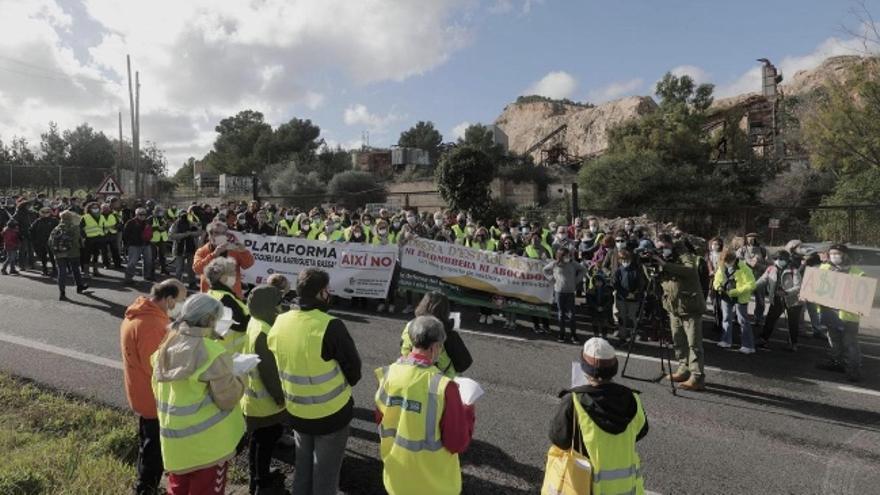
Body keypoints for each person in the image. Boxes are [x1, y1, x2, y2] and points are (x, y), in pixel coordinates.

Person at [267, 269, 362, 495]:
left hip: (297, 411)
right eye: (327, 290)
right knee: (325, 478)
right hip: (331, 414)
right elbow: (354, 371)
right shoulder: (330, 325)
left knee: (303, 470)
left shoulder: (279, 322)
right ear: (322, 293)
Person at [151, 294, 246, 495]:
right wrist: (240, 376)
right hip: (209, 446)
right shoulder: (211, 352)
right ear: (210, 320)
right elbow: (228, 399)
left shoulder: (165, 347)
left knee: (177, 489)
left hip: (174, 442)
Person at [375, 315, 475, 495]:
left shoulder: (389, 374)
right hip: (433, 483)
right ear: (435, 346)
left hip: (397, 475)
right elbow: (457, 442)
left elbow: (380, 417)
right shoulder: (444, 386)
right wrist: (467, 410)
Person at [549, 338, 648, 495]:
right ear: (614, 368)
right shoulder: (632, 399)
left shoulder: (573, 400)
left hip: (585, 485)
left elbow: (559, 439)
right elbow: (641, 431)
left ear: (584, 369)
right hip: (624, 488)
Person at [120, 279, 187, 495]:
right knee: (153, 451)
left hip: (141, 392)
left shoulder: (142, 313)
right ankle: (145, 489)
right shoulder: (151, 325)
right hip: (152, 398)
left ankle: (145, 485)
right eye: (180, 301)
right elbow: (158, 368)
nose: (181, 306)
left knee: (147, 443)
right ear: (168, 299)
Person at [242, 285, 287, 495]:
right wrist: (280, 397)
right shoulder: (264, 332)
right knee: (265, 441)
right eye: (278, 303)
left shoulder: (255, 322)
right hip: (265, 402)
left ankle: (256, 478)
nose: (281, 308)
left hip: (252, 398)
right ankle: (262, 483)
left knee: (257, 440)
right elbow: (268, 371)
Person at [653, 234, 707, 391]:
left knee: (694, 344)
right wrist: (651, 263)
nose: (662, 250)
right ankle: (683, 369)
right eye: (659, 247)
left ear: (671, 245)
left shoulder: (684, 255)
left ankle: (697, 377)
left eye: (664, 247)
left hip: (690, 307)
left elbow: (690, 271)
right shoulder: (661, 259)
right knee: (678, 341)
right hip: (673, 307)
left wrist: (665, 265)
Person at [816, 244, 865, 382]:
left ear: (845, 254)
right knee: (834, 340)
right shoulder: (824, 268)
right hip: (830, 313)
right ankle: (836, 363)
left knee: (850, 344)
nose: (834, 256)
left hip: (848, 316)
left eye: (837, 253)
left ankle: (854, 371)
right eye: (831, 253)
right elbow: (816, 286)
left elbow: (864, 293)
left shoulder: (857, 272)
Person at [399, 291, 473, 377]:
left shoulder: (410, 326)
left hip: (410, 373)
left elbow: (403, 349)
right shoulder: (448, 334)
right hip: (440, 381)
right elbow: (463, 364)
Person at [755, 250, 803, 352]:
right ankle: (763, 339)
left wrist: (786, 292)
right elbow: (762, 281)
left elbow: (798, 286)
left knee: (792, 323)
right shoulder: (771, 269)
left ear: (786, 260)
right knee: (770, 319)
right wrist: (750, 287)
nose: (778, 261)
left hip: (793, 300)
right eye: (776, 258)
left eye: (780, 259)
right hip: (777, 299)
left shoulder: (793, 270)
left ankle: (793, 344)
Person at [194, 221, 255, 298]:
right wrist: (214, 254)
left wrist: (244, 252)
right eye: (216, 232)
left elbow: (247, 265)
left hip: (233, 295)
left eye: (223, 233)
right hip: (209, 296)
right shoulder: (202, 251)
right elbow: (197, 269)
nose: (220, 235)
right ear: (210, 234)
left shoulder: (234, 248)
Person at [713, 249, 757, 354]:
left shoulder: (745, 268)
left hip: (740, 297)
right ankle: (726, 341)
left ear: (734, 260)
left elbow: (752, 284)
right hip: (725, 296)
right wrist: (718, 287)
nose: (726, 264)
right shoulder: (722, 266)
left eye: (728, 262)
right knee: (726, 318)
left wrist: (737, 292)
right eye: (724, 262)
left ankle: (748, 346)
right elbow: (716, 280)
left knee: (743, 321)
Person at [205, 257, 251, 354]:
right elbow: (240, 325)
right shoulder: (226, 299)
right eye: (233, 274)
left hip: (220, 348)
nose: (235, 276)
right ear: (223, 278)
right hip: (230, 352)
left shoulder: (212, 293)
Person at [545, 247, 587, 344]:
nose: (568, 257)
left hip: (570, 292)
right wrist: (552, 279)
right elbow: (545, 270)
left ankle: (573, 334)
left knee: (572, 315)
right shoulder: (555, 264)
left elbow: (583, 269)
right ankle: (561, 333)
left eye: (568, 255)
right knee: (561, 313)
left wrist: (576, 280)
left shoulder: (572, 263)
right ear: (560, 256)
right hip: (559, 292)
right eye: (565, 255)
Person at [52, 210, 89, 300]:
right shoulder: (75, 227)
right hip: (73, 252)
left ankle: (62, 292)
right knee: (75, 269)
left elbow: (50, 241)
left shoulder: (57, 228)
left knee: (62, 272)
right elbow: (77, 240)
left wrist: (56, 251)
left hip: (60, 253)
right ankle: (79, 286)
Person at [613, 249, 647, 341]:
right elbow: (615, 284)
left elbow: (641, 284)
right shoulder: (618, 271)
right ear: (620, 260)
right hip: (621, 298)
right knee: (622, 318)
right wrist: (625, 294)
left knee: (633, 318)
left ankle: (633, 336)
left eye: (627, 260)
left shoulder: (636, 271)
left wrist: (634, 293)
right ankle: (622, 336)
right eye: (623, 260)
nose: (625, 262)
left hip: (633, 299)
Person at [737, 233, 769, 329]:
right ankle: (740, 317)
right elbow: (736, 261)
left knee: (760, 300)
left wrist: (759, 265)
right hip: (745, 278)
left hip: (759, 278)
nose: (752, 240)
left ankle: (758, 318)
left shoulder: (763, 250)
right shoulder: (742, 249)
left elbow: (769, 264)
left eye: (754, 238)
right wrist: (747, 262)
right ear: (746, 239)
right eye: (749, 238)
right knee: (742, 298)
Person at [169, 208, 202, 290]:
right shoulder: (175, 225)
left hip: (190, 249)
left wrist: (191, 233)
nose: (184, 216)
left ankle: (192, 283)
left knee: (191, 268)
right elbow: (171, 235)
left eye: (185, 215)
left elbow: (199, 232)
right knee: (179, 268)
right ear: (179, 215)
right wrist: (184, 235)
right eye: (182, 215)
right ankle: (177, 285)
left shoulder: (191, 223)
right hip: (179, 249)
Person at [124, 208, 155, 284]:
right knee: (132, 262)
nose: (142, 216)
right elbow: (125, 234)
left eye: (144, 214)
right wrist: (128, 244)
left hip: (146, 244)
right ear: (136, 214)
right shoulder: (130, 222)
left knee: (148, 261)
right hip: (134, 245)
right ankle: (128, 278)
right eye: (140, 214)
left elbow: (150, 232)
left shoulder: (147, 222)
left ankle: (147, 276)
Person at [30, 206, 58, 276]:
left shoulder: (54, 220)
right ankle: (44, 270)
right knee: (43, 257)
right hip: (41, 242)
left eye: (47, 212)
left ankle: (55, 270)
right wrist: (34, 241)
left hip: (51, 242)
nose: (45, 213)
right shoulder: (38, 221)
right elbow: (31, 230)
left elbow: (58, 230)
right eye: (44, 212)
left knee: (52, 257)